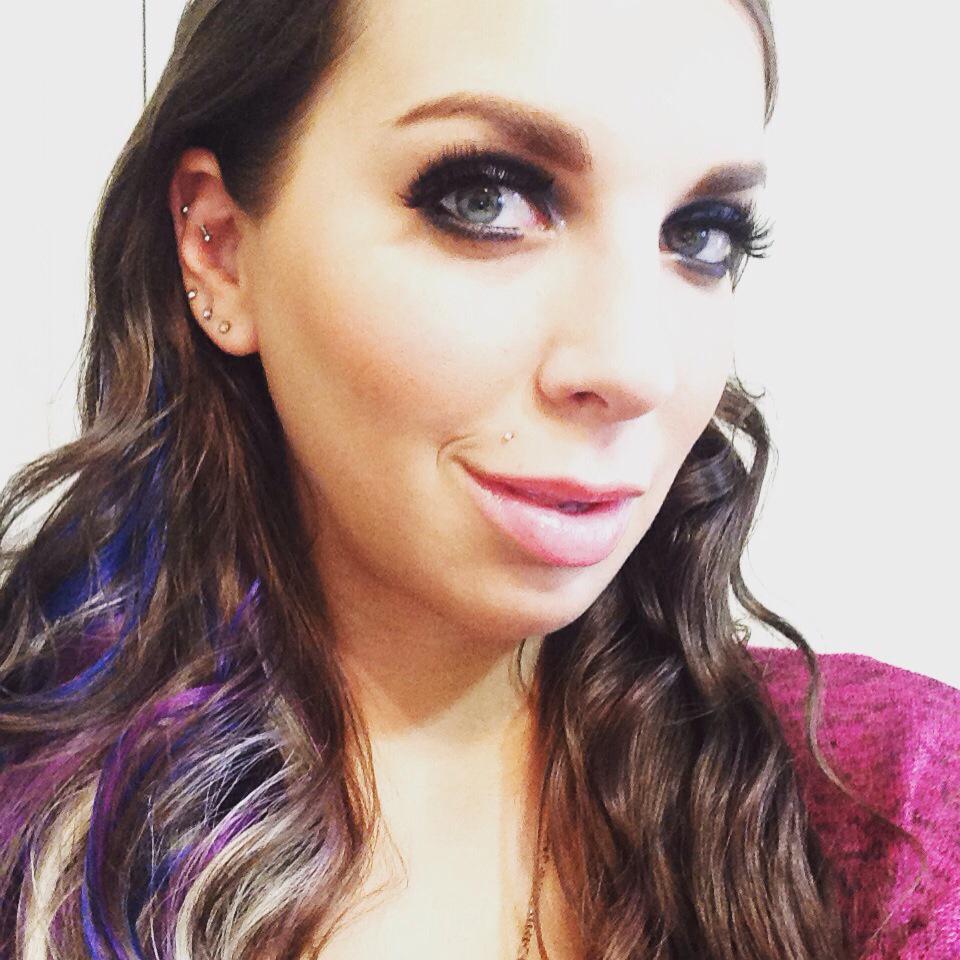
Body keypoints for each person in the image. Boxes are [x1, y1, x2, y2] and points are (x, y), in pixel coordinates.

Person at [0, 0, 957, 958]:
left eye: (702, 234)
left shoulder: (896, 817)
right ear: (220, 246)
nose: (636, 369)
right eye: (486, 199)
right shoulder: (28, 828)